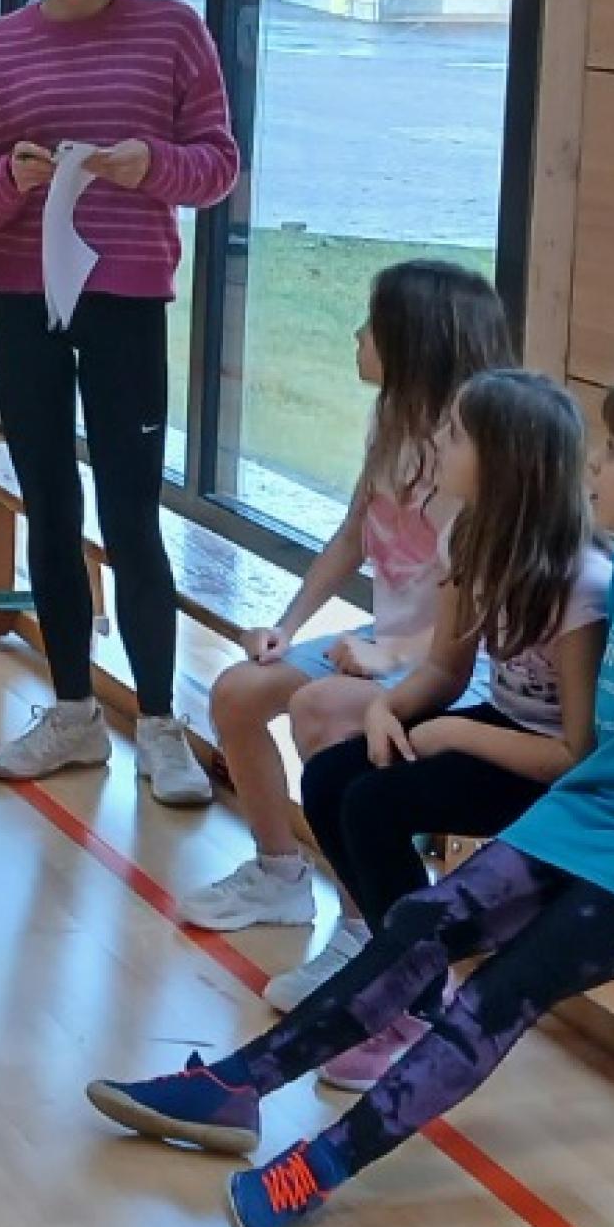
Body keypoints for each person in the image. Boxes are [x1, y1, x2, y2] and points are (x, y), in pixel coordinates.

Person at [84, 374, 614, 1227]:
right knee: (420, 922)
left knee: (500, 993)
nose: (595, 465)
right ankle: (235, 1086)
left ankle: (321, 1165)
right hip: (585, 819)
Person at [0, 0, 241, 803]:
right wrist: (14, 180)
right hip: (21, 297)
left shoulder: (173, 32)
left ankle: (159, 723)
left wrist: (149, 165)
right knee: (49, 501)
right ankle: (73, 712)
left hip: (126, 299)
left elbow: (218, 166)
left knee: (130, 511)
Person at [283, 367, 611, 1080]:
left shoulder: (581, 584)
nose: (437, 440)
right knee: (332, 778)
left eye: (456, 434)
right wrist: (387, 708)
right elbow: (445, 670)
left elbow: (576, 753)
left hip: (551, 769)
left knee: (374, 805)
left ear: (504, 462)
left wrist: (452, 733)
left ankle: (414, 1001)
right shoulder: (468, 537)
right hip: (502, 725)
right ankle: (399, 970)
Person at [182, 260, 514, 938]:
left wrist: (391, 653)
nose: (357, 335)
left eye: (372, 325)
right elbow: (352, 534)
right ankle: (279, 875)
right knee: (237, 692)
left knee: (322, 712)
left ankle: (363, 924)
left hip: (461, 668)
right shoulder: (392, 419)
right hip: (388, 648)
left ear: (415, 343)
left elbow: (491, 616)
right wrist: (286, 627)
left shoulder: (474, 456)